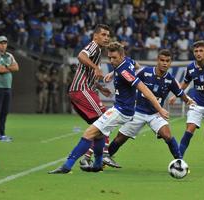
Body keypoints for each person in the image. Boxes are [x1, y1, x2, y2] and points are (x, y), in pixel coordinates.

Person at [48, 41, 169, 174]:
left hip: (121, 111)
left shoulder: (124, 71)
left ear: (121, 56)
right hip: (122, 109)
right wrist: (113, 73)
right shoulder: (126, 62)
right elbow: (136, 64)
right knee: (100, 134)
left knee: (89, 133)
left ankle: (67, 166)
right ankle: (98, 164)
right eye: (109, 57)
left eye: (114, 58)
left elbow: (144, 89)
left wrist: (159, 109)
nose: (111, 60)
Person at [106, 49, 195, 165]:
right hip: (137, 112)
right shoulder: (145, 72)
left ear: (170, 62)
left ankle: (180, 162)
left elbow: (180, 93)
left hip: (155, 114)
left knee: (167, 136)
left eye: (167, 61)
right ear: (157, 60)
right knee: (120, 138)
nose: (164, 63)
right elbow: (127, 73)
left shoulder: (170, 80)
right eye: (162, 60)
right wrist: (113, 73)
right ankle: (105, 158)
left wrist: (189, 101)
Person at [67, 24, 119, 168]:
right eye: (103, 34)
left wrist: (100, 88)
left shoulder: (98, 52)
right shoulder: (93, 46)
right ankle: (104, 155)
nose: (106, 38)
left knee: (98, 127)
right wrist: (96, 67)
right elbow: (81, 55)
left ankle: (87, 158)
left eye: (108, 35)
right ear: (95, 36)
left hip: (83, 90)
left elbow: (87, 73)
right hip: (81, 90)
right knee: (106, 119)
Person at [0, 35, 19, 142]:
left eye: (5, 43)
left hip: (7, 87)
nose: (3, 45)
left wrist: (5, 67)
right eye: (1, 43)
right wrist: (9, 68)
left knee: (5, 111)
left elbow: (17, 67)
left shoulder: (9, 55)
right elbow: (0, 70)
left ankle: (2, 133)